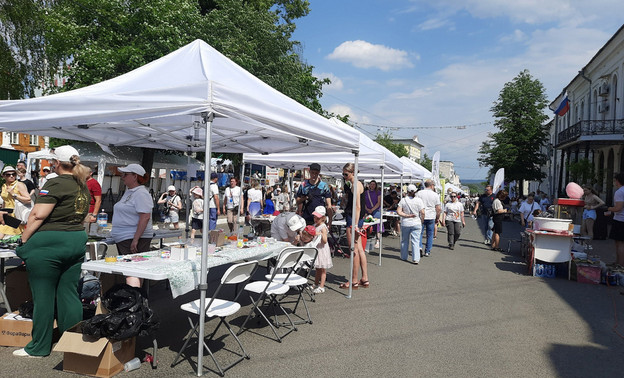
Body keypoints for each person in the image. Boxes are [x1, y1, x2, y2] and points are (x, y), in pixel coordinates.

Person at [13, 145, 90, 357]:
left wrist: (24, 239)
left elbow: (37, 215)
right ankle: (74, 345)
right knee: (68, 294)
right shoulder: (81, 184)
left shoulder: (55, 183)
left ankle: (39, 347)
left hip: (50, 244)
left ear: (56, 163)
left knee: (44, 297)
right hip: (75, 240)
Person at [111, 164, 153, 287]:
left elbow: (145, 217)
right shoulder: (131, 192)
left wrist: (135, 239)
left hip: (132, 237)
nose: (122, 177)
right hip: (126, 237)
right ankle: (137, 299)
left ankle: (134, 300)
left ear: (135, 176)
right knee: (134, 271)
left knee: (132, 271)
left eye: (125, 174)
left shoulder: (141, 193)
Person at [339, 162, 369, 289]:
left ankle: (354, 280)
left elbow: (358, 206)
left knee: (354, 250)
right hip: (356, 218)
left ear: (352, 172)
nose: (344, 176)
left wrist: (355, 224)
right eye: (343, 174)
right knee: (360, 249)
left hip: (354, 218)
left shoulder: (356, 184)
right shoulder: (355, 184)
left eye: (346, 174)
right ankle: (365, 278)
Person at [396, 184, 425, 264]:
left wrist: (406, 215)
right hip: (416, 222)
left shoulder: (403, 200)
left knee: (404, 241)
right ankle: (416, 259)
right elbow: (422, 212)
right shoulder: (419, 200)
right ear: (415, 191)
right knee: (415, 241)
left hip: (406, 223)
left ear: (407, 191)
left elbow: (398, 211)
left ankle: (404, 256)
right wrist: (421, 220)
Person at [0, 166, 30, 238]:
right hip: (6, 215)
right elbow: (5, 201)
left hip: (16, 215)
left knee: (13, 238)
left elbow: (28, 199)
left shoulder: (19, 185)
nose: (11, 176)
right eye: (8, 174)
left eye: (13, 174)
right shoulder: (3, 186)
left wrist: (14, 194)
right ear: (4, 176)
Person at [416, 179, 441, 257]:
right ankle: (427, 251)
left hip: (421, 215)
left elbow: (416, 204)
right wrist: (438, 217)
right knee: (430, 234)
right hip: (431, 216)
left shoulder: (418, 193)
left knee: (419, 233)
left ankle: (419, 247)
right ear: (432, 186)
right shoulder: (435, 195)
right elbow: (438, 208)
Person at [310, 206, 332, 293]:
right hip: (317, 249)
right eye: (315, 217)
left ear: (323, 218)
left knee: (322, 269)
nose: (315, 219)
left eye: (317, 218)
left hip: (322, 249)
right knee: (317, 268)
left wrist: (319, 234)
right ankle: (315, 283)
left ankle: (322, 286)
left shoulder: (323, 227)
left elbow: (325, 241)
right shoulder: (315, 225)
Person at [605, 173, 624, 266]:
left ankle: (620, 264)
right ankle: (618, 262)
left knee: (619, 244)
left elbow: (618, 207)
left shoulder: (619, 192)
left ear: (618, 181)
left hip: (620, 220)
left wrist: (609, 208)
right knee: (619, 243)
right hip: (621, 219)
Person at [364, 180, 383, 248]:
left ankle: (378, 240)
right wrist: (367, 209)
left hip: (376, 210)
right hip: (367, 210)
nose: (372, 185)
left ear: (376, 185)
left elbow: (379, 203)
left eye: (373, 184)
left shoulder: (378, 192)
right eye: (371, 184)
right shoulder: (366, 192)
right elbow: (364, 202)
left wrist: (372, 209)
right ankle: (367, 239)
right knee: (366, 224)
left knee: (378, 225)